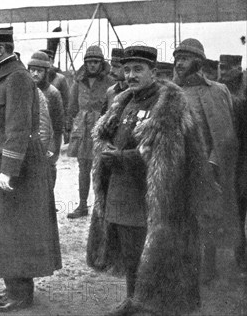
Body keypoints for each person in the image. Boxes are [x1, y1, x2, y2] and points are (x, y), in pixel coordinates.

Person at [87, 45, 214, 315]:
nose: (131, 75)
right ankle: (134, 300)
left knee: (154, 252)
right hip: (121, 191)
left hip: (153, 194)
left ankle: (152, 306)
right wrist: (107, 150)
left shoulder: (169, 102)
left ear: (153, 72)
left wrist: (123, 157)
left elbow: (169, 153)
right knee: (131, 254)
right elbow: (108, 135)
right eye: (127, 69)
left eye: (138, 69)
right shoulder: (123, 100)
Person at [0, 27, 61, 312]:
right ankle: (15, 289)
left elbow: (19, 127)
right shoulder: (6, 75)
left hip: (19, 166)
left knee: (17, 229)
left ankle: (21, 294)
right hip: (11, 162)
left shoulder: (16, 78)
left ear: (0, 49)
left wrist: (8, 168)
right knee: (8, 228)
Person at [173, 38, 240, 283]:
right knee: (179, 218)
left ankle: (208, 268)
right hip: (177, 165)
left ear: (198, 62)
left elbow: (225, 137)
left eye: (185, 58)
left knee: (208, 216)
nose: (179, 63)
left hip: (205, 167)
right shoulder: (171, 91)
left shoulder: (217, 90)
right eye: (177, 58)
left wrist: (212, 165)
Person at [67, 46, 114, 219]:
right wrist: (68, 126)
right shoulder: (78, 82)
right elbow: (72, 105)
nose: (92, 65)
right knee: (83, 168)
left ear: (101, 63)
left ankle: (103, 207)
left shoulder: (110, 82)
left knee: (102, 167)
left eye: (95, 62)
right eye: (89, 62)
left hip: (101, 127)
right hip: (82, 128)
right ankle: (82, 205)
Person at [219, 54, 247, 272]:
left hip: (243, 156)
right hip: (230, 158)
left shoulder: (241, 93)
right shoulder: (220, 90)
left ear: (239, 68)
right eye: (221, 68)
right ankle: (239, 255)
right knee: (235, 207)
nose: (224, 72)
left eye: (228, 68)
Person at [27, 51, 64, 188]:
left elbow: (58, 123)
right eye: (32, 70)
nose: (35, 74)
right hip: (30, 140)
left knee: (48, 173)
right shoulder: (25, 90)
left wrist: (54, 149)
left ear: (46, 72)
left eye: (39, 71)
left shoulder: (53, 93)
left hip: (49, 140)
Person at [103, 48, 127, 113]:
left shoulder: (134, 93)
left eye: (117, 67)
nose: (112, 70)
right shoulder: (110, 92)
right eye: (112, 66)